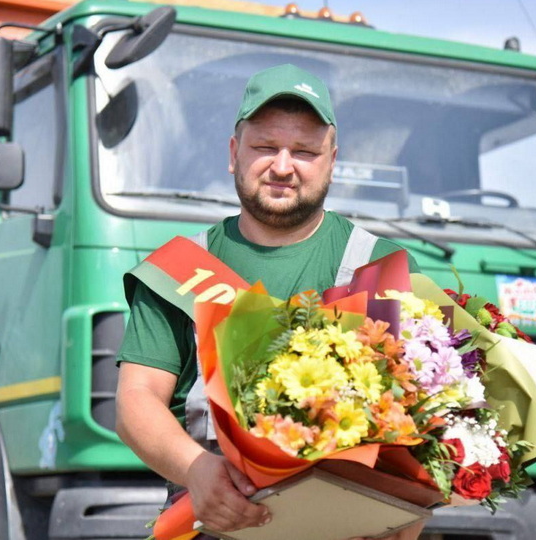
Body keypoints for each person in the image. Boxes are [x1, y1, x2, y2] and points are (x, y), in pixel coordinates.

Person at [115, 64, 424, 540]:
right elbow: (137, 398)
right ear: (234, 153)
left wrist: (409, 507)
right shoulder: (180, 267)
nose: (283, 166)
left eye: (304, 151)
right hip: (212, 526)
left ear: (332, 160)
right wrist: (197, 469)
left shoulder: (382, 266)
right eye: (265, 147)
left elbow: (426, 410)